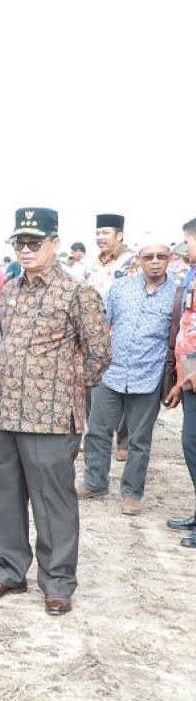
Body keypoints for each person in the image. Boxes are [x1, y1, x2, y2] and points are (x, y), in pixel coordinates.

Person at [0, 207, 110, 617]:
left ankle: (58, 582)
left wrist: (62, 388)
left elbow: (99, 354)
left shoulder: (77, 293)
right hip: (5, 415)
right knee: (6, 498)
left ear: (55, 244)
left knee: (54, 502)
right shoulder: (9, 291)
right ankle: (10, 570)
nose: (26, 249)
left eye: (35, 242)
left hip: (50, 419)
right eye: (20, 242)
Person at [77, 236, 177, 515]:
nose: (155, 262)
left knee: (139, 440)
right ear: (138, 260)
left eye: (161, 256)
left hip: (149, 375)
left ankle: (132, 494)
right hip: (111, 373)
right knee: (97, 431)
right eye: (149, 257)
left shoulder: (178, 295)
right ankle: (94, 482)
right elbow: (100, 325)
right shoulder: (119, 289)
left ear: (169, 259)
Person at [85, 214, 135, 460]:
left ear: (119, 235)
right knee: (91, 384)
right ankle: (93, 434)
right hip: (92, 333)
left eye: (105, 233)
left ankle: (123, 441)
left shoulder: (131, 262)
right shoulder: (92, 263)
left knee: (121, 388)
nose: (100, 238)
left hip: (120, 335)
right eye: (97, 233)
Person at [164, 219, 196, 547]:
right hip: (190, 379)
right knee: (191, 446)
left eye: (187, 241)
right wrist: (181, 381)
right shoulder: (192, 274)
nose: (185, 248)